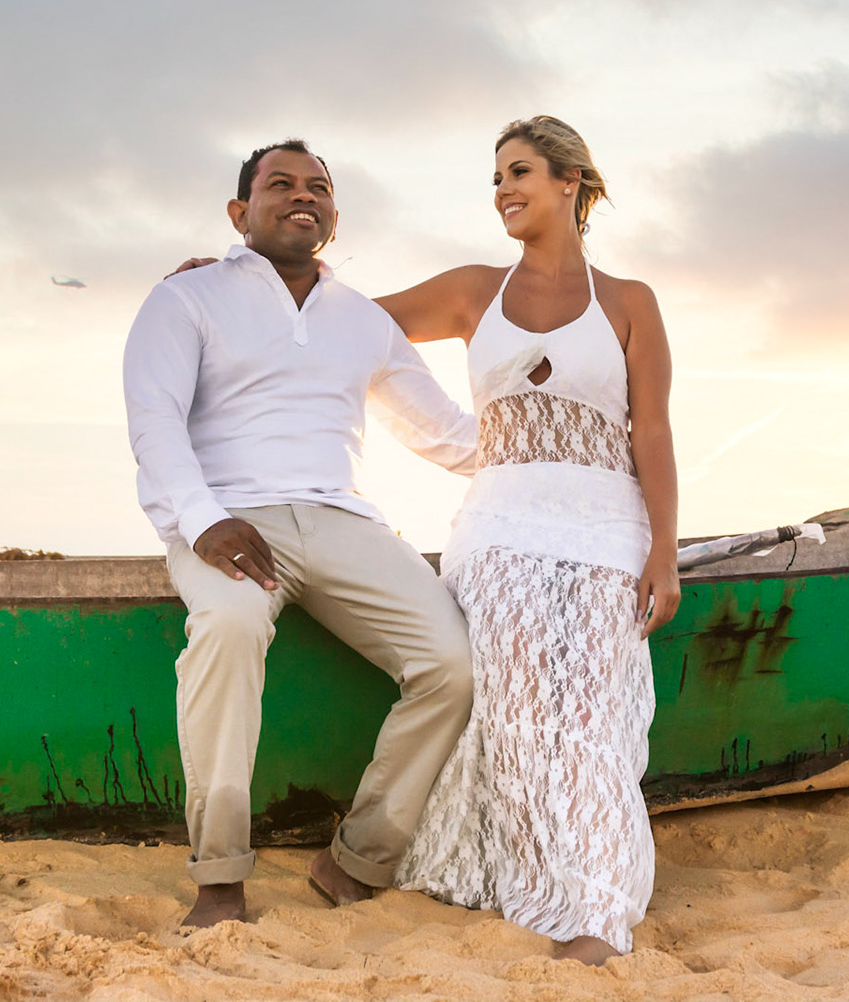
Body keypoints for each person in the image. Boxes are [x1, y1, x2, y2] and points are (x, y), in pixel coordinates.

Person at [166, 116, 680, 962]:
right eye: (496, 178)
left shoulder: (630, 302)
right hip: (500, 525)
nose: (504, 190)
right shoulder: (475, 290)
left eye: (520, 172)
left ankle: (592, 907)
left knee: (591, 716)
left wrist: (663, 549)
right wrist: (234, 280)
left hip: (605, 528)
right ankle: (523, 884)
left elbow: (652, 433)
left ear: (571, 182)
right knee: (508, 712)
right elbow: (331, 315)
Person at [123, 140, 480, 929]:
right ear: (239, 211)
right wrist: (206, 520)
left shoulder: (363, 319)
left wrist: (561, 447)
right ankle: (219, 877)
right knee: (227, 625)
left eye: (317, 187)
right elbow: (153, 421)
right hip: (230, 522)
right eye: (278, 184)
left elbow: (448, 435)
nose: (300, 196)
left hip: (342, 519)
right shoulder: (185, 299)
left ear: (334, 214)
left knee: (452, 665)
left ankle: (358, 855)